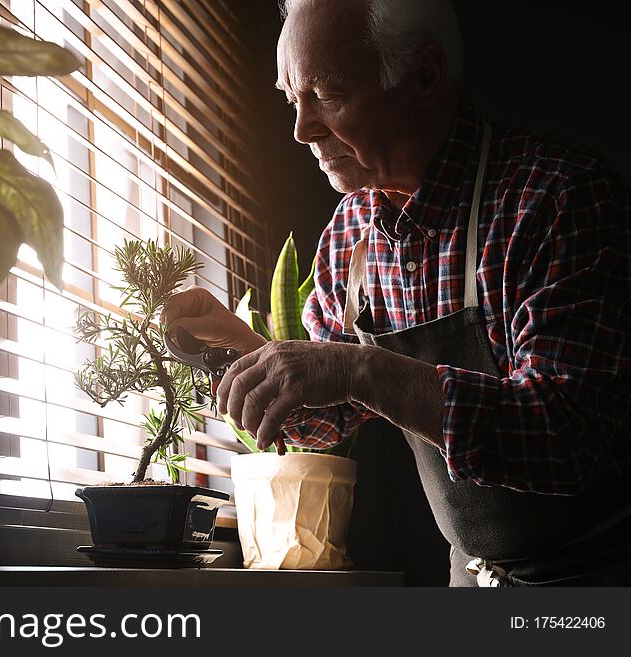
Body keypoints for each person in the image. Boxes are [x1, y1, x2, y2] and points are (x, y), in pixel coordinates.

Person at [161, 0, 631, 586]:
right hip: (475, 579)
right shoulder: (349, 234)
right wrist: (243, 349)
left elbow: (566, 436)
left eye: (326, 95)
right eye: (292, 101)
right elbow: (324, 420)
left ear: (425, 78)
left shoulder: (554, 196)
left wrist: (360, 369)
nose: (300, 130)